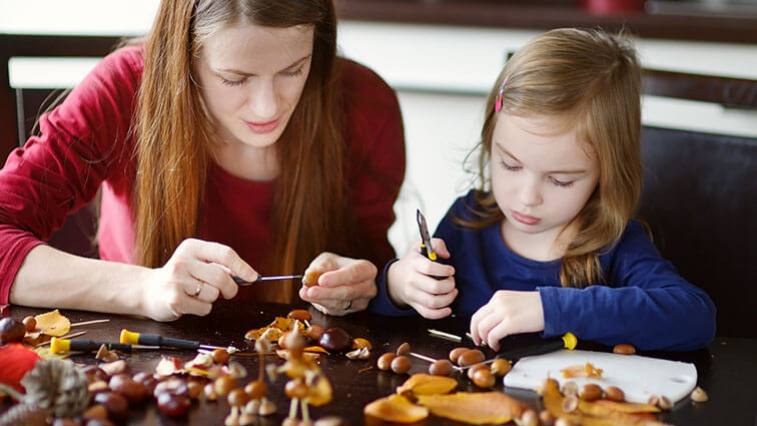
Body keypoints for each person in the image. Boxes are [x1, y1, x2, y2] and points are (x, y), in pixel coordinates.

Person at [0, 0, 405, 321]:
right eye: (235, 78)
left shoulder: (366, 105)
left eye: (293, 70)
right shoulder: (123, 89)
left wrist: (363, 284)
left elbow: (375, 267)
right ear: (184, 58)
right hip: (145, 369)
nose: (267, 108)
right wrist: (145, 289)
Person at [371, 28, 716, 351]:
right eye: (510, 164)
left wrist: (550, 308)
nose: (527, 197)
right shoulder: (467, 220)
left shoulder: (614, 244)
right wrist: (400, 286)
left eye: (560, 180)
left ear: (606, 172)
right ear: (491, 140)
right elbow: (396, 316)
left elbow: (695, 316)